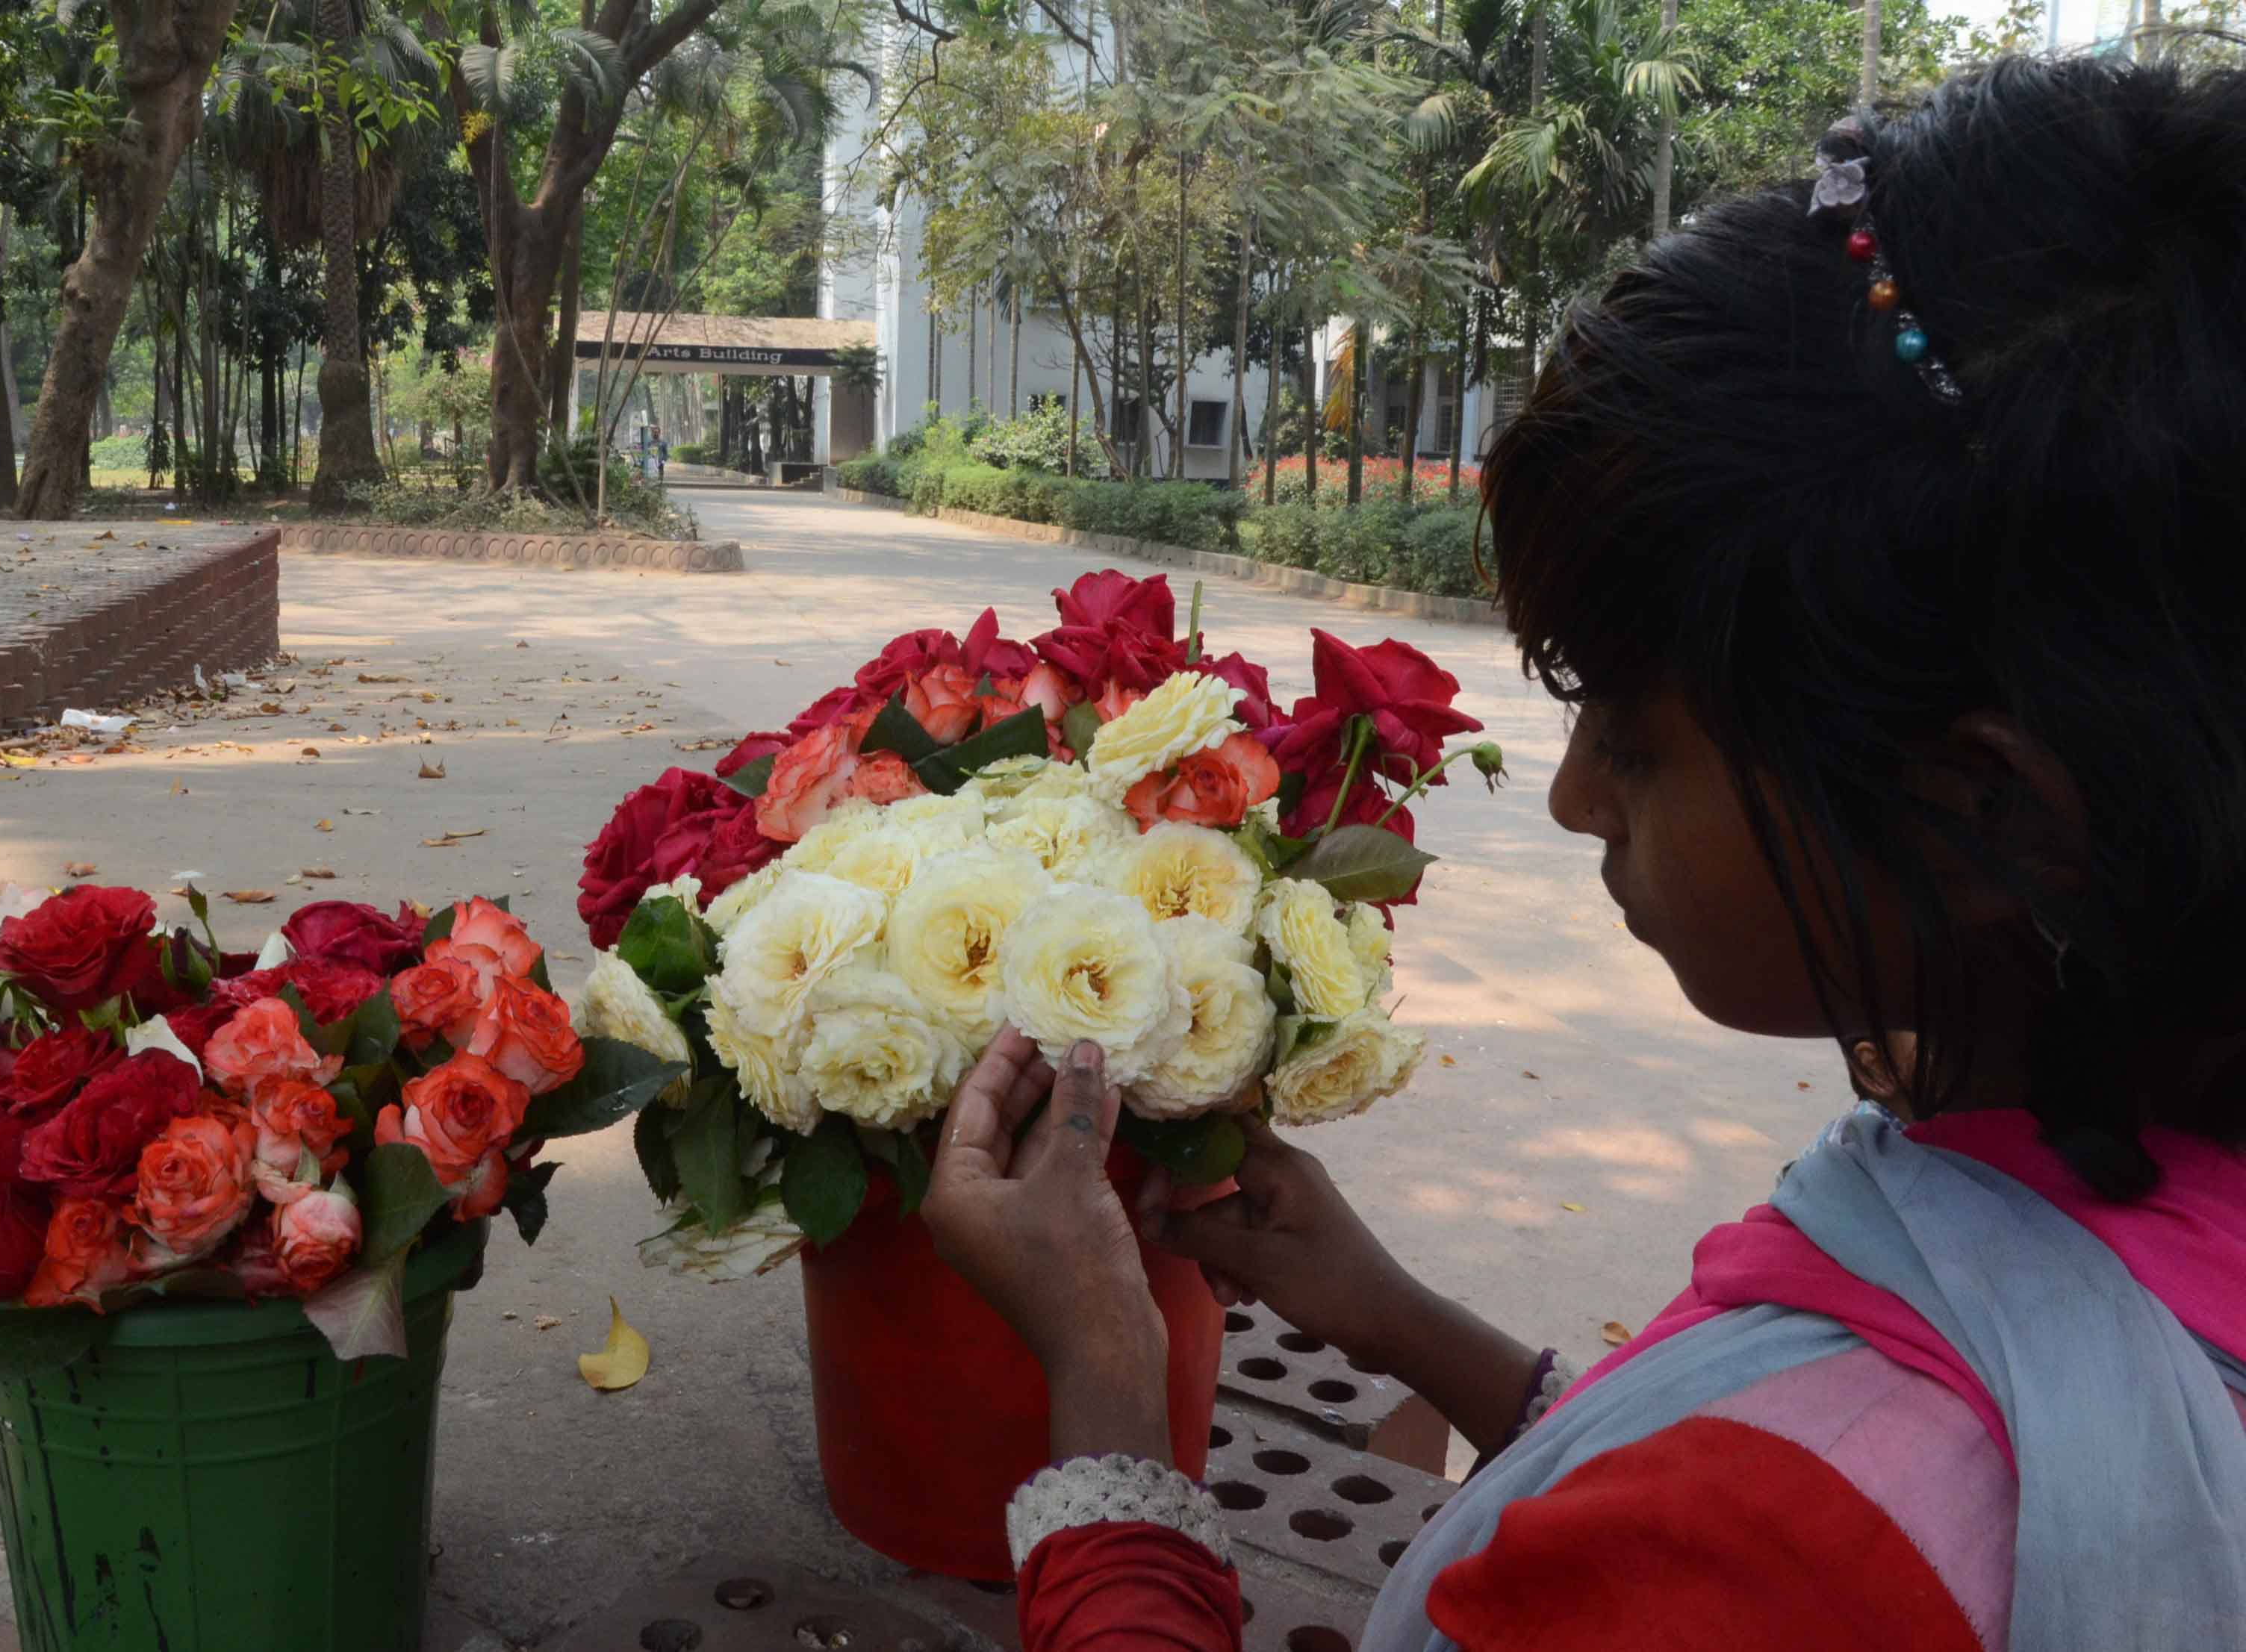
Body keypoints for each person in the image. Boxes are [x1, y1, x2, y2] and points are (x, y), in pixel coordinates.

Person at [922, 52, 2246, 1652]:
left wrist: (1112, 1408)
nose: (1570, 800)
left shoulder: (1791, 1546)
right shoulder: (2151, 1213)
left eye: (1629, 732)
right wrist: (1410, 1325)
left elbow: (1740, 1538)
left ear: (1987, 814)